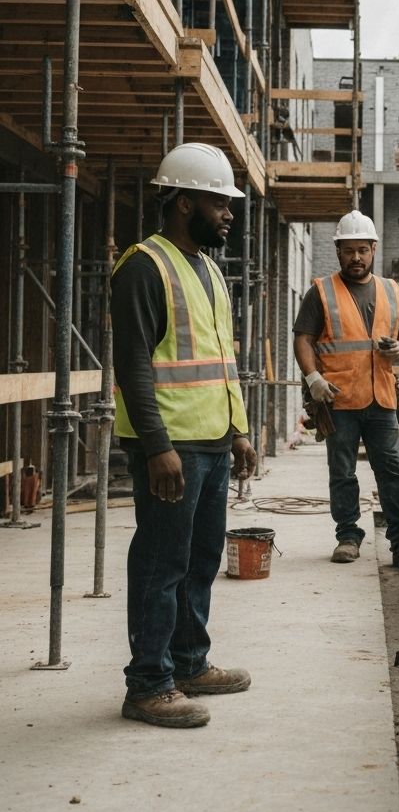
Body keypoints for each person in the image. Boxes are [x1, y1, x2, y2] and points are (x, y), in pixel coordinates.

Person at [112, 142, 257, 729]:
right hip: (170, 447)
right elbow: (134, 367)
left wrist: (241, 432)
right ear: (182, 203)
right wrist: (157, 447)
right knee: (161, 563)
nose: (229, 214)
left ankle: (189, 663)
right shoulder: (144, 267)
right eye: (219, 203)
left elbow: (223, 361)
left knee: (201, 558)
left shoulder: (209, 269)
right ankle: (148, 683)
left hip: (213, 442)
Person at [292, 211, 399, 567]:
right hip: (338, 398)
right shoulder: (321, 291)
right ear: (338, 250)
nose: (356, 257)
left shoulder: (392, 291)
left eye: (362, 250)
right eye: (349, 251)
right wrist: (313, 379)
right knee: (342, 472)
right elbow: (303, 339)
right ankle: (348, 535)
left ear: (374, 249)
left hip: (381, 398)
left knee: (391, 471)